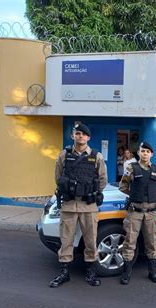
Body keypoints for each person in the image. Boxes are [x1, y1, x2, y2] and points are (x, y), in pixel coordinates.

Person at [49, 122, 108, 288]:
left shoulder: (96, 156)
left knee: (90, 239)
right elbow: (58, 177)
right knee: (66, 239)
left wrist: (89, 192)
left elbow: (103, 180)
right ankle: (64, 272)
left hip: (88, 206)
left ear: (88, 137)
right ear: (73, 136)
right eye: (77, 133)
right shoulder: (64, 155)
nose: (80, 136)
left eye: (83, 134)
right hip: (69, 204)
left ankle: (90, 270)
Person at [119, 142, 156, 285]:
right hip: (135, 212)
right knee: (129, 242)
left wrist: (150, 197)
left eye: (147, 151)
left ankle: (152, 271)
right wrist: (136, 195)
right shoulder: (131, 168)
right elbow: (123, 186)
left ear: (151, 154)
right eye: (142, 151)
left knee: (151, 243)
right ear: (138, 153)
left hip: (151, 212)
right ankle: (126, 272)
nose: (145, 153)